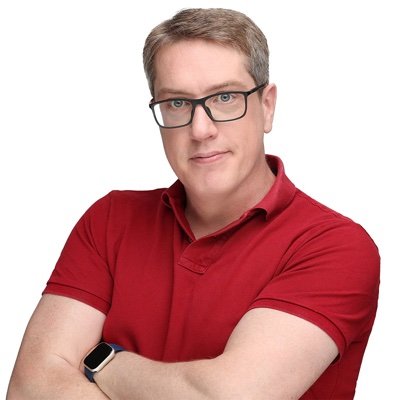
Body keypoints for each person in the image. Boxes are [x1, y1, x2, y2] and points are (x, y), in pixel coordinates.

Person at [7, 7, 380, 400]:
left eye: (225, 97)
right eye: (177, 103)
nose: (201, 129)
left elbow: (230, 397)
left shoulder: (335, 246)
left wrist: (105, 362)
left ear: (267, 106)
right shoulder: (109, 220)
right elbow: (29, 388)